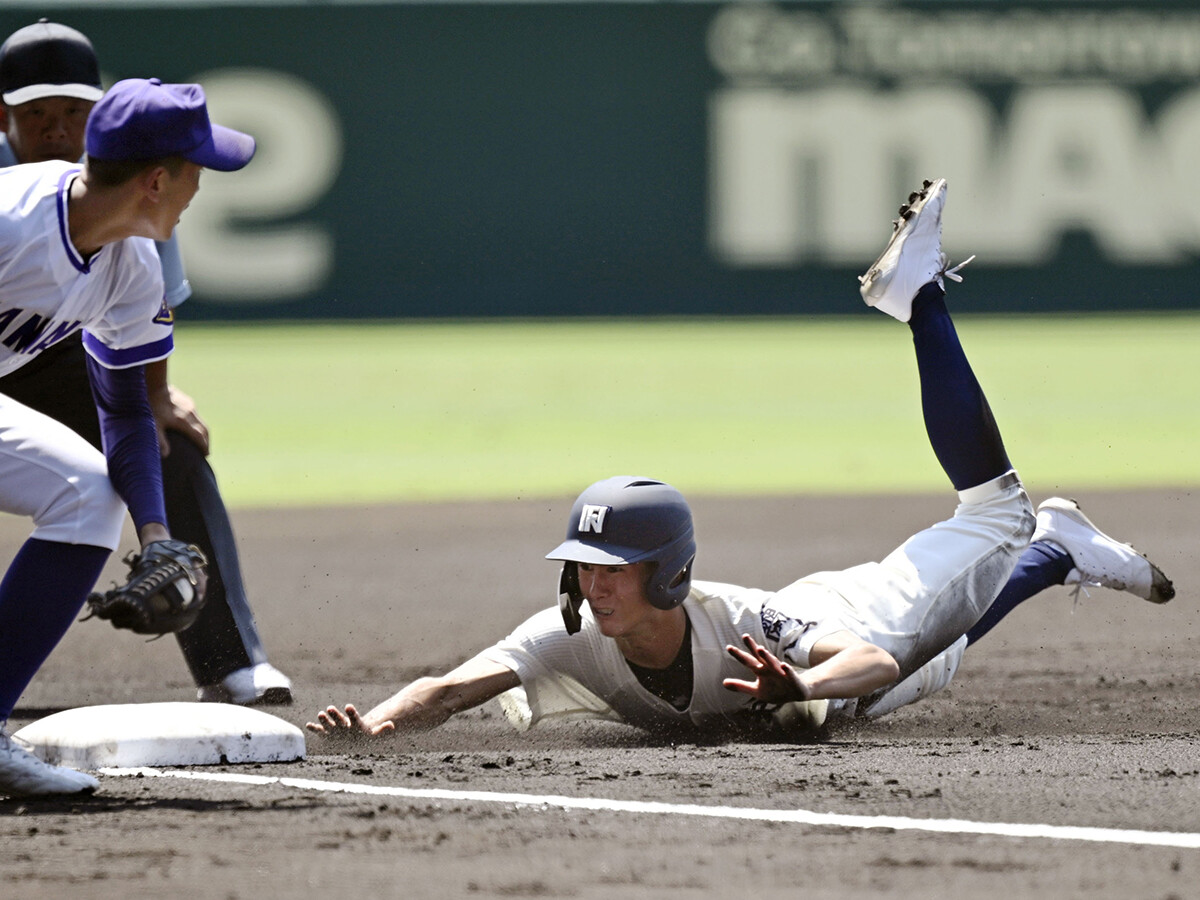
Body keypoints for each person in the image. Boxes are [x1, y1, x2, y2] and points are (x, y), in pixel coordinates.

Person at [307, 178, 1173, 742]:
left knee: (992, 519)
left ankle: (922, 302)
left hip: (850, 621)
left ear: (672, 576)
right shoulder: (567, 636)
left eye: (615, 567)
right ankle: (1057, 549)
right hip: (857, 667)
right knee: (951, 640)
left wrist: (794, 677)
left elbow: (870, 661)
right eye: (584, 567)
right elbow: (453, 687)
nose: (594, 584)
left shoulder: (745, 621)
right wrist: (376, 726)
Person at [0, 20, 291, 707]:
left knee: (87, 490)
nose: (201, 189)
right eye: (198, 171)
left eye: (71, 110)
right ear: (158, 180)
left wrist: (156, 537)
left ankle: (229, 665)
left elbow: (127, 405)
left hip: (38, 369)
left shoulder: (133, 261)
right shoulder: (13, 222)